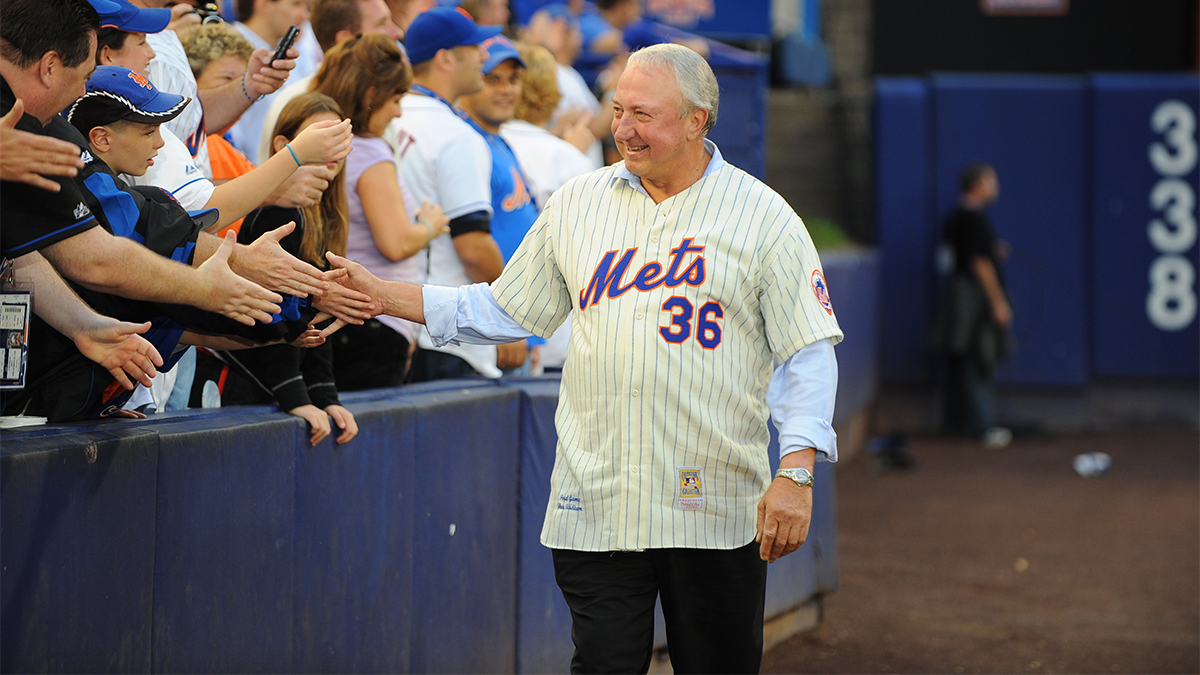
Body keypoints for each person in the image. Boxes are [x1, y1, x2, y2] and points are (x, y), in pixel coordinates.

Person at [323, 44, 842, 673]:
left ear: (697, 120)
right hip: (599, 501)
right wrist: (385, 296)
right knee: (601, 663)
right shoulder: (579, 203)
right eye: (617, 109)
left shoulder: (764, 217)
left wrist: (796, 472)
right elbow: (508, 311)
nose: (623, 128)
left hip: (715, 507)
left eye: (644, 114)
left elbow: (806, 352)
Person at [192, 93, 359, 446]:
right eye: (319, 137)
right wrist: (295, 395)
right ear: (284, 145)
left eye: (338, 140)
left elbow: (315, 317)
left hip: (268, 385)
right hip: (238, 377)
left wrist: (325, 394)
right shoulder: (278, 212)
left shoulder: (324, 217)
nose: (330, 151)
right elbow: (270, 309)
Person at [385, 7, 515, 381]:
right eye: (475, 47)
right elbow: (473, 247)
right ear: (445, 59)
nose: (484, 56)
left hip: (396, 320)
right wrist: (511, 310)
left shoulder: (384, 114)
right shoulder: (455, 134)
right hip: (448, 332)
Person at [312, 35, 449, 389]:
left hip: (348, 318)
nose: (399, 111)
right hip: (372, 322)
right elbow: (395, 242)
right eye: (396, 99)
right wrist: (430, 226)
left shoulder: (322, 138)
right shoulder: (370, 153)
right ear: (371, 95)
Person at [255, 0, 403, 163]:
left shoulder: (378, 98)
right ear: (347, 40)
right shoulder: (298, 103)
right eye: (381, 24)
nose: (397, 32)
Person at [938, 162, 1015, 448]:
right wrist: (998, 302)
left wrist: (993, 251)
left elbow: (963, 253)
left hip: (958, 298)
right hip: (972, 301)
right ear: (978, 184)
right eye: (991, 180)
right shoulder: (974, 219)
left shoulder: (955, 217)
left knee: (960, 357)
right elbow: (979, 263)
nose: (996, 186)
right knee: (978, 356)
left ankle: (957, 424)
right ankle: (982, 425)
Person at [229, 0, 314, 163]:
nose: (305, 15)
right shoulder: (228, 49)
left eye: (307, 7)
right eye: (295, 4)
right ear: (263, 4)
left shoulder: (293, 51)